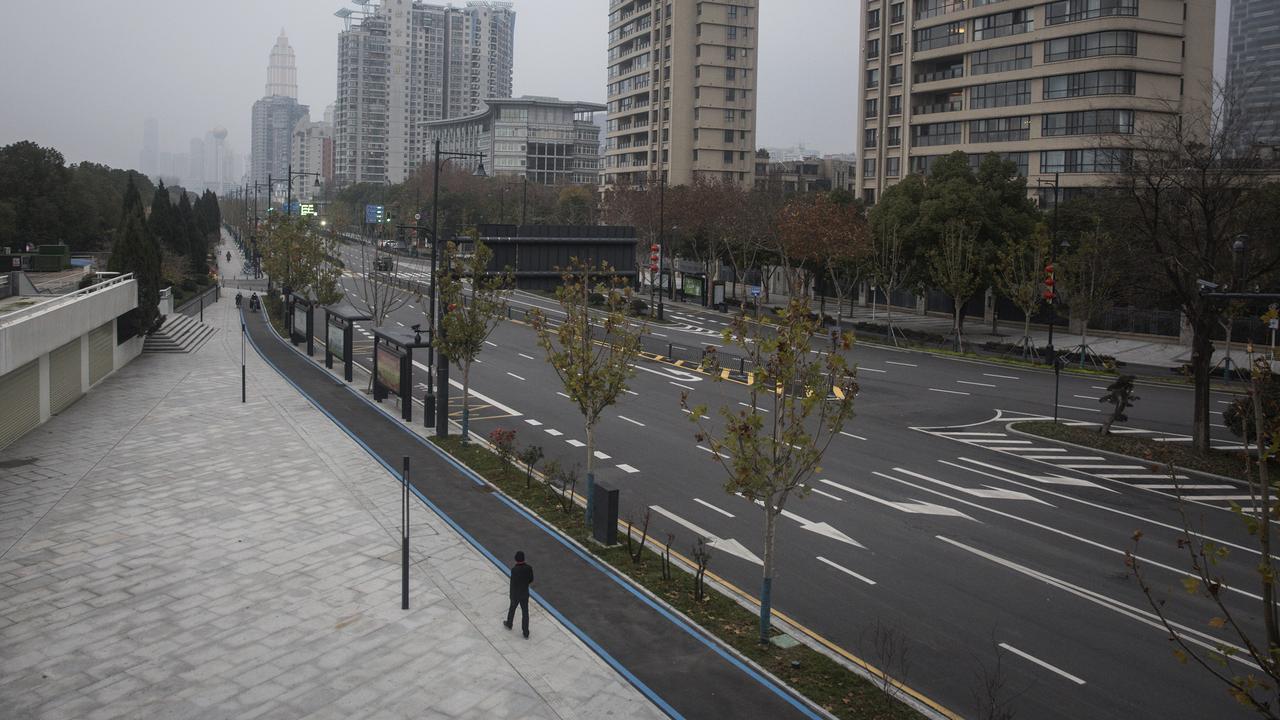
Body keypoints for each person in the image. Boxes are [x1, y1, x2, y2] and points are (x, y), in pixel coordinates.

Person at [503, 550, 534, 638]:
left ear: (516, 559)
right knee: (525, 612)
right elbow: (531, 579)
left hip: (516, 594)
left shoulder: (514, 570)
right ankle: (525, 632)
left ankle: (509, 623)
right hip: (524, 593)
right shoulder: (529, 568)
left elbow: (513, 583)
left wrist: (511, 595)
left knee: (512, 608)